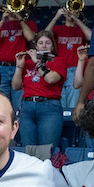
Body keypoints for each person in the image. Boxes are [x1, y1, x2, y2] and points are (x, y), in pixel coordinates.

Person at [12, 30, 66, 160]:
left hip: (49, 106)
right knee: (28, 151)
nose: (44, 46)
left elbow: (51, 79)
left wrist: (37, 62)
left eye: (48, 43)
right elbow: (16, 86)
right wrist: (19, 66)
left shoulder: (58, 61)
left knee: (47, 152)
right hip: (27, 106)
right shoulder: (27, 62)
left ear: (52, 46)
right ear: (36, 46)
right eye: (40, 43)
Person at [0, 0, 37, 113]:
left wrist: (20, 19)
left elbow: (31, 38)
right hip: (1, 68)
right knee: (2, 105)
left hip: (20, 68)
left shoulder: (29, 23)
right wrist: (2, 21)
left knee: (19, 105)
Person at [42, 3, 92, 112]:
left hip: (75, 71)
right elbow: (44, 35)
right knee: (59, 106)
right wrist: (56, 17)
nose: (72, 13)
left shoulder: (80, 30)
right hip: (59, 70)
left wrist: (77, 20)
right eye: (70, 10)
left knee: (72, 107)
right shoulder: (58, 28)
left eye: (75, 11)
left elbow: (92, 37)